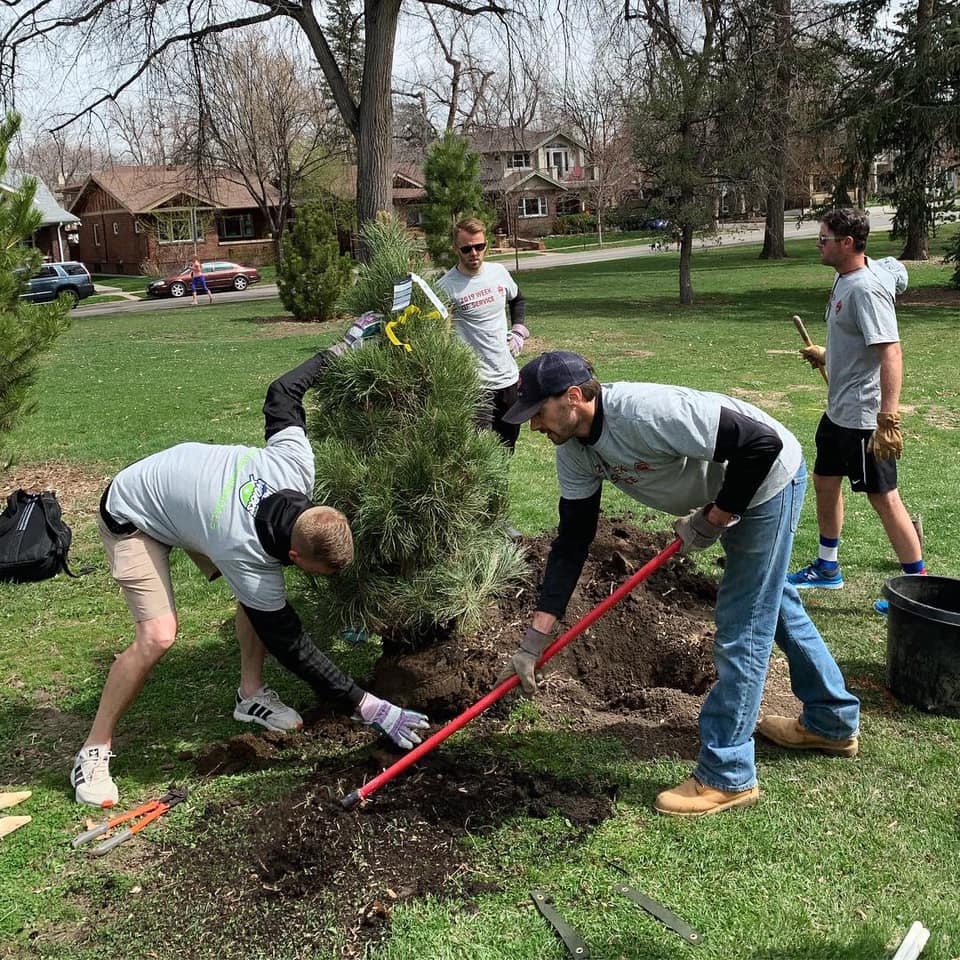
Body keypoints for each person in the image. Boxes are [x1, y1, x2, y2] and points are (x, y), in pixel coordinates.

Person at [497, 351, 860, 817]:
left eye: (538, 414)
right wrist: (533, 640)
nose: (534, 428)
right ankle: (831, 720)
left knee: (742, 625)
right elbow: (572, 542)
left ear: (572, 398)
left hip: (768, 480)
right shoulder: (573, 450)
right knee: (773, 603)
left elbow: (760, 443)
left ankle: (726, 776)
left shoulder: (647, 412)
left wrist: (715, 517)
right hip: (728, 487)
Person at [71, 343, 430, 807]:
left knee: (257, 602)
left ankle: (250, 695)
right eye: (319, 573)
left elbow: (283, 392)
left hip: (188, 499)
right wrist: (370, 705)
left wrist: (340, 349)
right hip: (133, 512)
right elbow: (293, 644)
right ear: (297, 557)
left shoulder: (294, 466)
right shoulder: (245, 552)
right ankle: (94, 749)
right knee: (158, 635)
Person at [787, 208, 923, 613]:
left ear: (847, 244)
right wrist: (825, 355)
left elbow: (891, 352)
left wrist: (888, 418)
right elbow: (857, 345)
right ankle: (828, 568)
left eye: (824, 238)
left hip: (864, 419)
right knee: (825, 482)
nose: (819, 244)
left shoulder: (865, 289)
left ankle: (917, 592)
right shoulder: (844, 278)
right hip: (838, 414)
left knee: (885, 499)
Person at [437, 217, 530, 452]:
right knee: (479, 455)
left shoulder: (498, 273)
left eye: (480, 246)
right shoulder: (446, 287)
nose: (474, 253)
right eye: (467, 248)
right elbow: (435, 332)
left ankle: (499, 491)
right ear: (455, 249)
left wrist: (518, 330)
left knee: (507, 449)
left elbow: (517, 298)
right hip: (475, 384)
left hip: (508, 379)